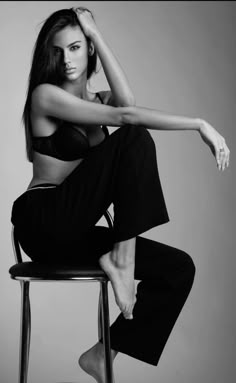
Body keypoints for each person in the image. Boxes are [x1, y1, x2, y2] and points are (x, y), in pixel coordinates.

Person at [11, 6, 230, 383]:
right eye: (58, 50)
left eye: (77, 47)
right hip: (44, 221)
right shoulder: (45, 96)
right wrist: (198, 124)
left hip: (76, 231)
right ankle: (122, 261)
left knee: (178, 270)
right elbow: (128, 121)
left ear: (89, 50)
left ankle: (102, 353)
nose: (67, 59)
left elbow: (126, 105)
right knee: (134, 135)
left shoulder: (100, 100)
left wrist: (98, 35)